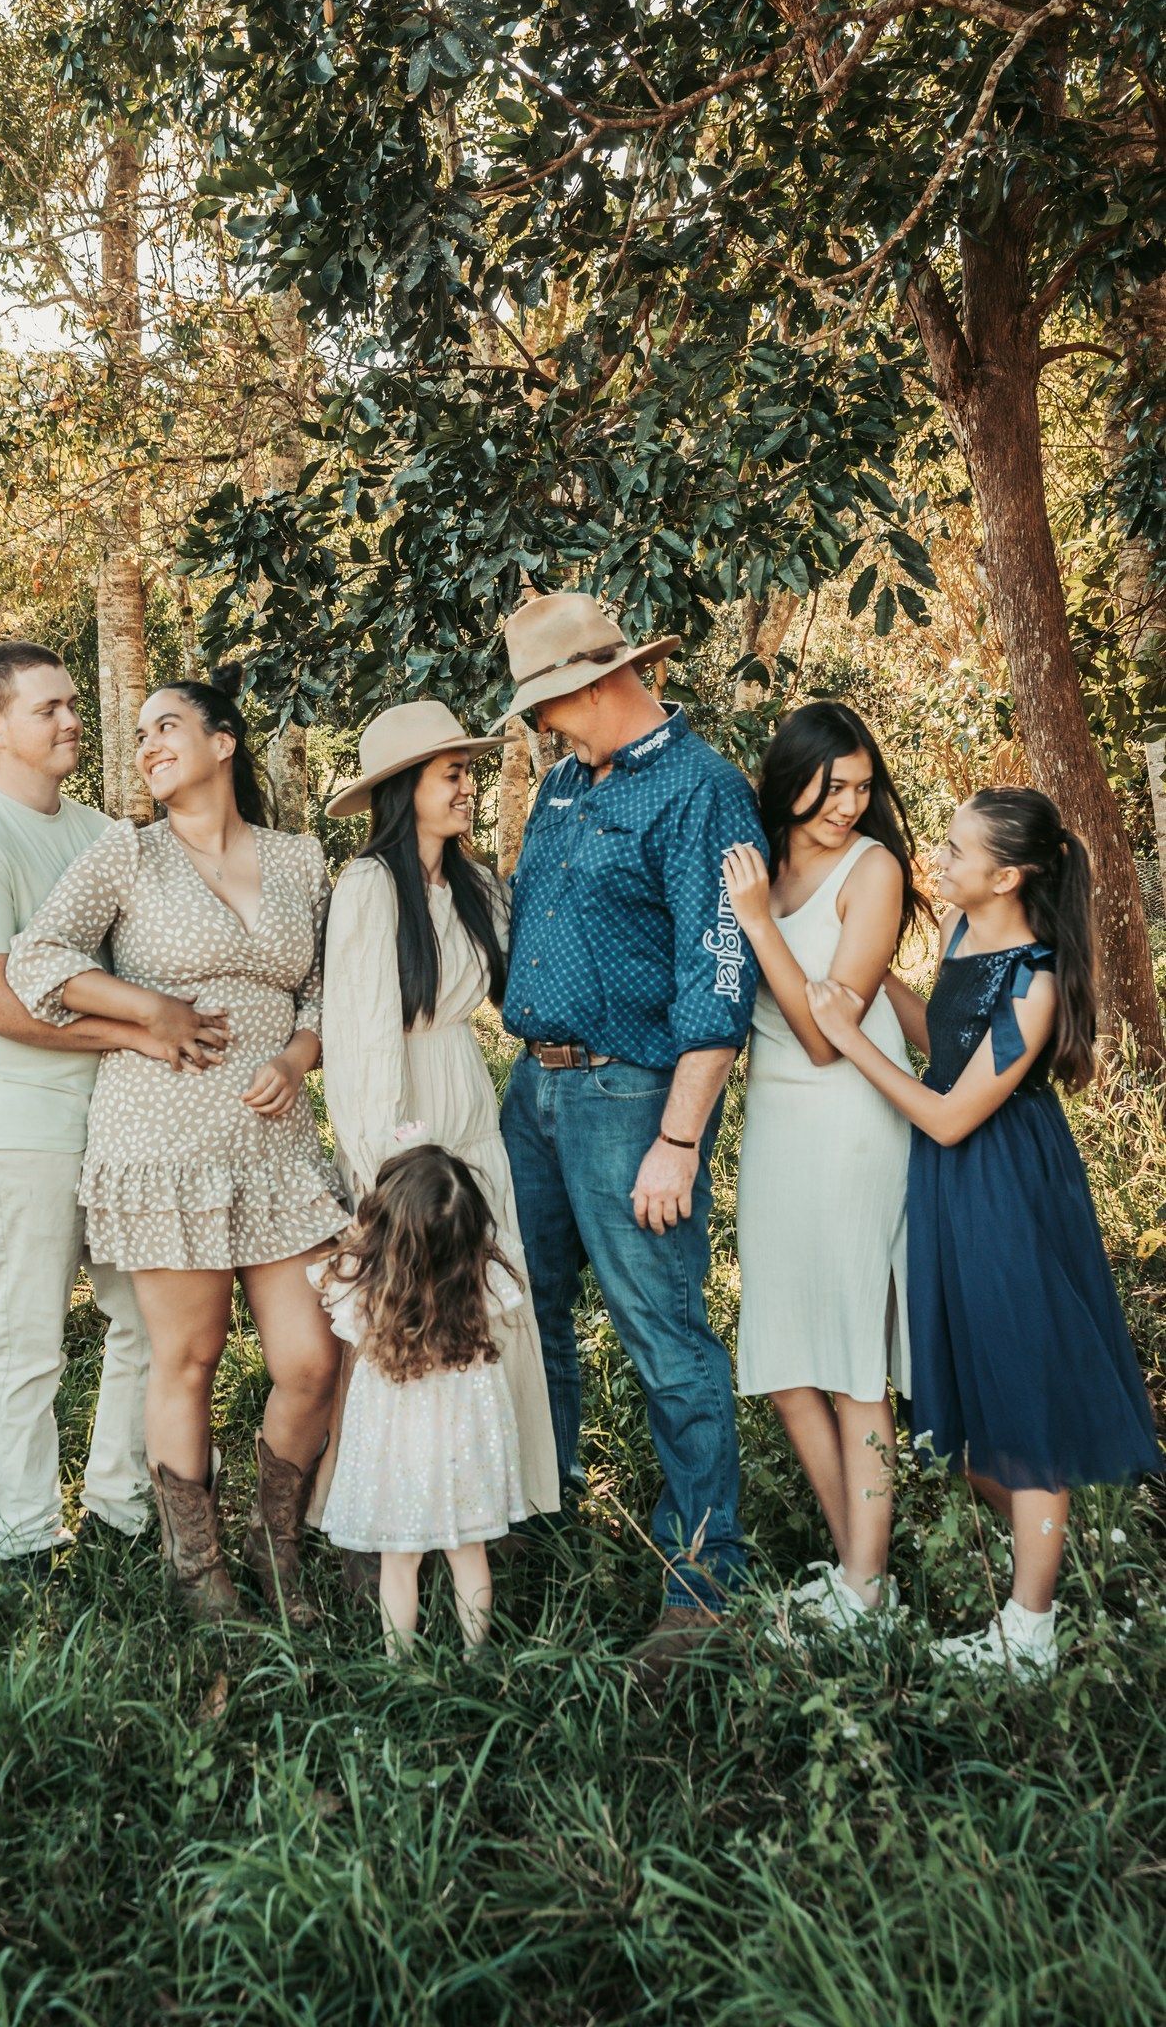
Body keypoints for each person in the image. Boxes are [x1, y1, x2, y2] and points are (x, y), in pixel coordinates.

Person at [7, 664, 349, 1624]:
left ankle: (272, 1545)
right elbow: (39, 960)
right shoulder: (125, 857)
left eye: (167, 727)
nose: (148, 746)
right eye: (141, 735)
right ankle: (196, 1574)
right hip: (159, 1137)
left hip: (275, 1144)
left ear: (223, 743)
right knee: (188, 1357)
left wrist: (296, 1051)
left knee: (311, 1359)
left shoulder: (298, 858)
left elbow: (322, 986)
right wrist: (146, 1006)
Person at [807, 786, 1160, 1678]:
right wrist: (875, 978)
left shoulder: (1034, 982)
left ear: (1005, 876)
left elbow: (951, 1113)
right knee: (965, 1396)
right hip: (953, 1182)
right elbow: (946, 1043)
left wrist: (849, 1039)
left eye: (958, 853)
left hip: (1003, 1178)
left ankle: (1029, 1631)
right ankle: (1057, 1555)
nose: (940, 860)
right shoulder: (965, 936)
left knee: (1020, 1390)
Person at [495, 589, 767, 1679]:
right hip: (534, 1093)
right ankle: (542, 1517)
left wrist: (678, 1137)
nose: (540, 728)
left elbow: (719, 976)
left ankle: (704, 1582)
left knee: (663, 1336)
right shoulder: (563, 786)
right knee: (531, 1316)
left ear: (595, 684)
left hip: (630, 1102)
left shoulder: (701, 791)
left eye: (547, 707)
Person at [0, 640, 227, 1571]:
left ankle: (121, 1504)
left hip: (123, 1123)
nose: (70, 721)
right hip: (22, 1125)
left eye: (70, 705)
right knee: (26, 1336)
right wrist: (138, 1035)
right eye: (47, 708)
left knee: (143, 1318)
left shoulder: (102, 833)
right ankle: (22, 1535)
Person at [316, 700, 560, 1549]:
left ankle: (491, 1499)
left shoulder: (473, 884)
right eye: (451, 774)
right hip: (406, 1121)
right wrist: (390, 1164)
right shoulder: (369, 888)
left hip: (468, 1108)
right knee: (404, 1314)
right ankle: (372, 1517)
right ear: (403, 789)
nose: (467, 787)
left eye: (467, 771)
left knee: (488, 1303)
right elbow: (358, 1035)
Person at [723, 702, 930, 1632]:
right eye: (830, 785)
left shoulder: (873, 869)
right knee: (779, 1356)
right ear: (791, 777)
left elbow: (823, 1039)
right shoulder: (759, 847)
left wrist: (760, 924)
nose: (847, 804)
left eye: (860, 787)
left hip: (847, 1116)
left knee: (850, 1358)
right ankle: (860, 1571)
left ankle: (862, 1584)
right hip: (772, 1120)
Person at [312, 1144, 528, 1660]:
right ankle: (477, 1653)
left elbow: (335, 1301)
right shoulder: (482, 1274)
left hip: (397, 1444)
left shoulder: (363, 1283)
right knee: (468, 1550)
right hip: (464, 1440)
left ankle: (399, 1664)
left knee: (400, 1561)